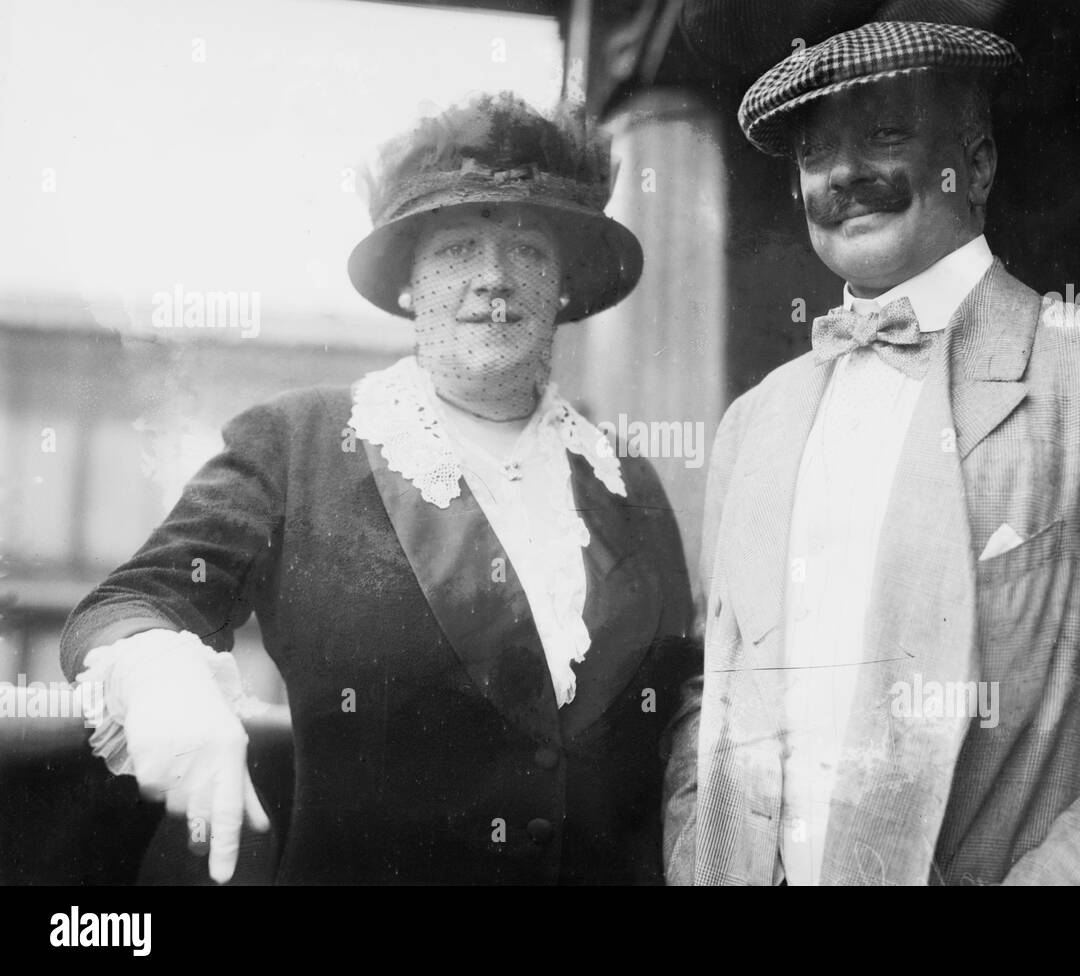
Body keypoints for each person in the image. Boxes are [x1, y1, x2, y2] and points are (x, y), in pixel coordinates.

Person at [662, 20, 1080, 885]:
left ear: (979, 161)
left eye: (886, 133)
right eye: (815, 153)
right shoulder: (752, 425)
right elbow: (714, 703)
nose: (845, 174)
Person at [61, 92, 697, 885]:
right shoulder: (300, 444)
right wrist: (163, 683)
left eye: (529, 251)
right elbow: (131, 604)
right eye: (458, 249)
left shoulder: (627, 480)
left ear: (565, 286)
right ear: (407, 287)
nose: (494, 281)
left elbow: (680, 717)